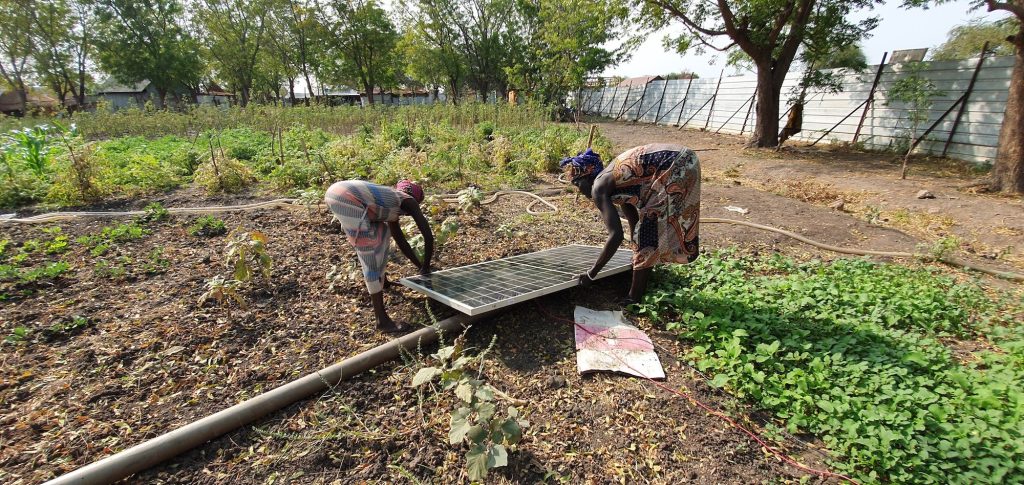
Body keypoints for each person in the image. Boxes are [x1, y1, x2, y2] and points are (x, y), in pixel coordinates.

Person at [560, 144, 701, 304]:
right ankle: (644, 274)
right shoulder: (613, 180)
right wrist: (636, 248)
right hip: (684, 159)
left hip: (673, 165)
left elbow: (616, 235)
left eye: (577, 184)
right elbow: (632, 217)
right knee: (645, 234)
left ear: (587, 176)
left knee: (648, 235)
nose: (579, 190)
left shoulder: (598, 187)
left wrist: (592, 273)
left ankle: (634, 298)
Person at [325, 179, 433, 333]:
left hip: (342, 193)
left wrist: (420, 266)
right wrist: (426, 267)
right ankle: (381, 321)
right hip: (345, 197)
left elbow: (401, 241)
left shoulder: (391, 206)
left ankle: (383, 281)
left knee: (382, 233)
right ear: (416, 198)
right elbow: (428, 236)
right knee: (368, 253)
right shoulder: (407, 200)